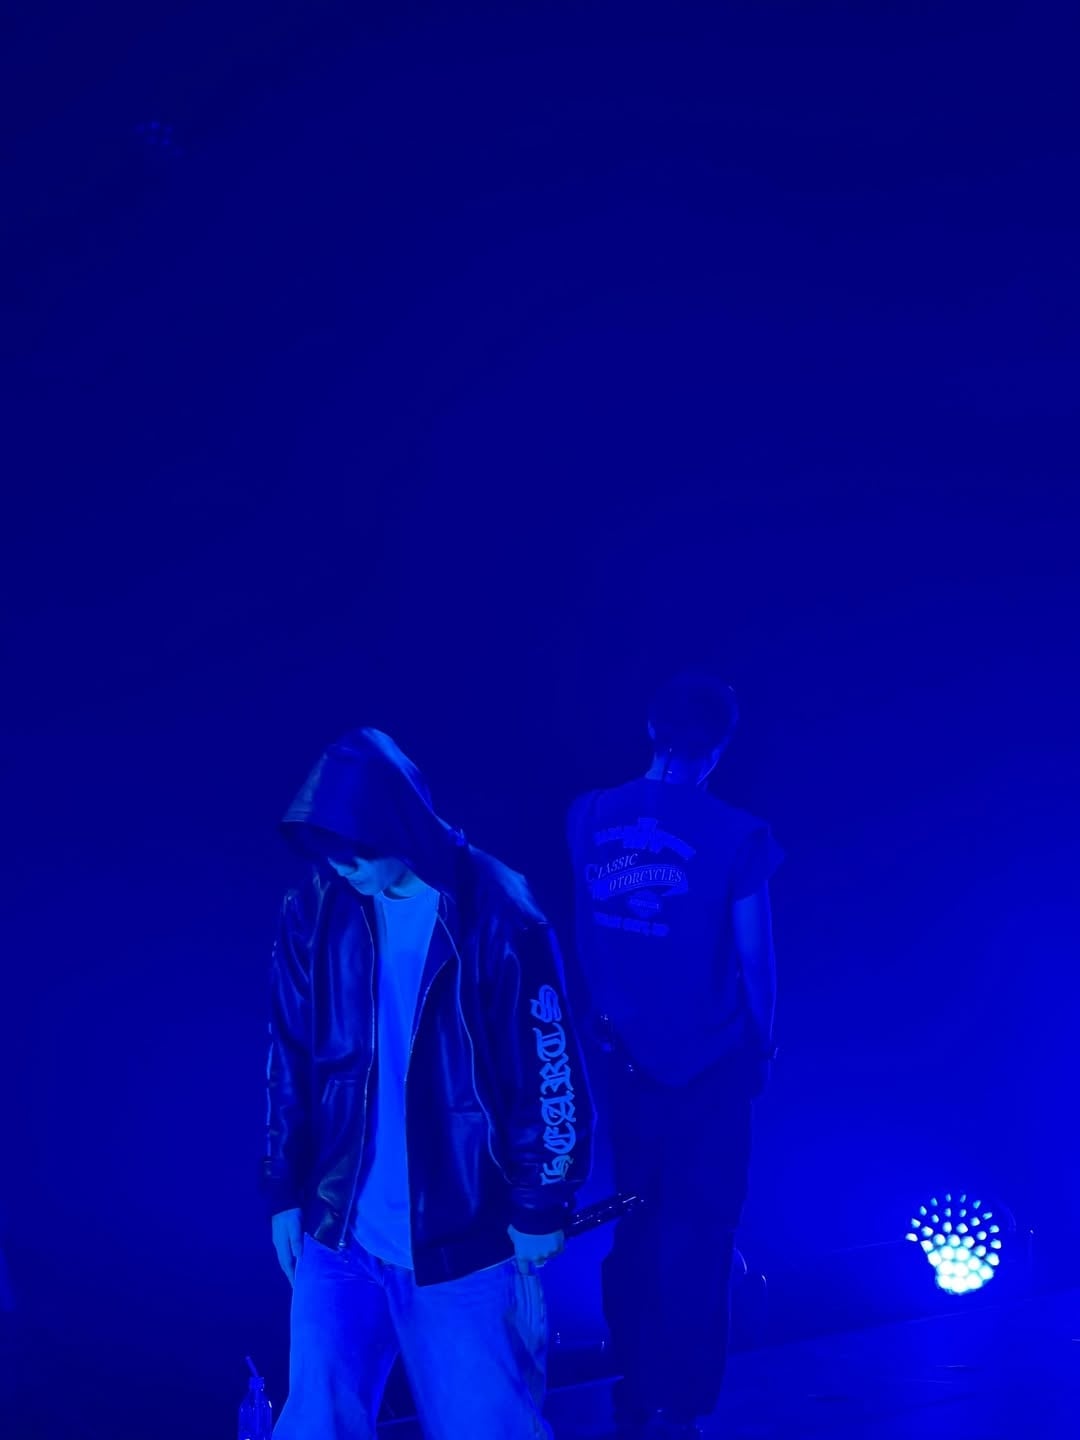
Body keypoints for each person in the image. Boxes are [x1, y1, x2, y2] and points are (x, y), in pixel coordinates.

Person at [264, 727, 594, 1440]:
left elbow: (549, 1066)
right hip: (339, 1231)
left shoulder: (497, 909)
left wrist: (541, 1201)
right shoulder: (315, 906)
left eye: (353, 849)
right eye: (327, 852)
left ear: (396, 824)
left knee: (490, 1431)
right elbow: (289, 1053)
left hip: (464, 1238)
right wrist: (282, 1188)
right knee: (314, 1428)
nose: (342, 866)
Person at [567, 672, 781, 1440]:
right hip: (711, 1068)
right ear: (719, 746)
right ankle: (678, 1406)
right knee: (702, 1229)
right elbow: (756, 960)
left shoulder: (587, 815)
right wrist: (765, 1042)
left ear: (651, 729)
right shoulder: (740, 835)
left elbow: (594, 934)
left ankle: (634, 1385)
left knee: (636, 1222)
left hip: (621, 1065)